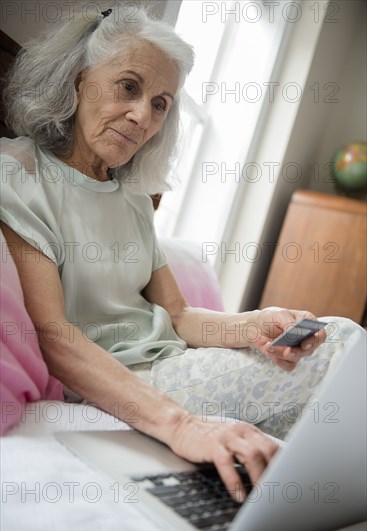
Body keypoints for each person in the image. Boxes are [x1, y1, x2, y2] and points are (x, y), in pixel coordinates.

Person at [0, 5, 361, 502]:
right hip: (122, 383)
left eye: (161, 103)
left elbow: (178, 313)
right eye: (128, 87)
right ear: (79, 80)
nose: (142, 116)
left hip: (174, 362)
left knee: (328, 358)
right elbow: (53, 335)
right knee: (343, 348)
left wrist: (253, 323)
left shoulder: (129, 196)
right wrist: (180, 424)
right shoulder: (18, 174)